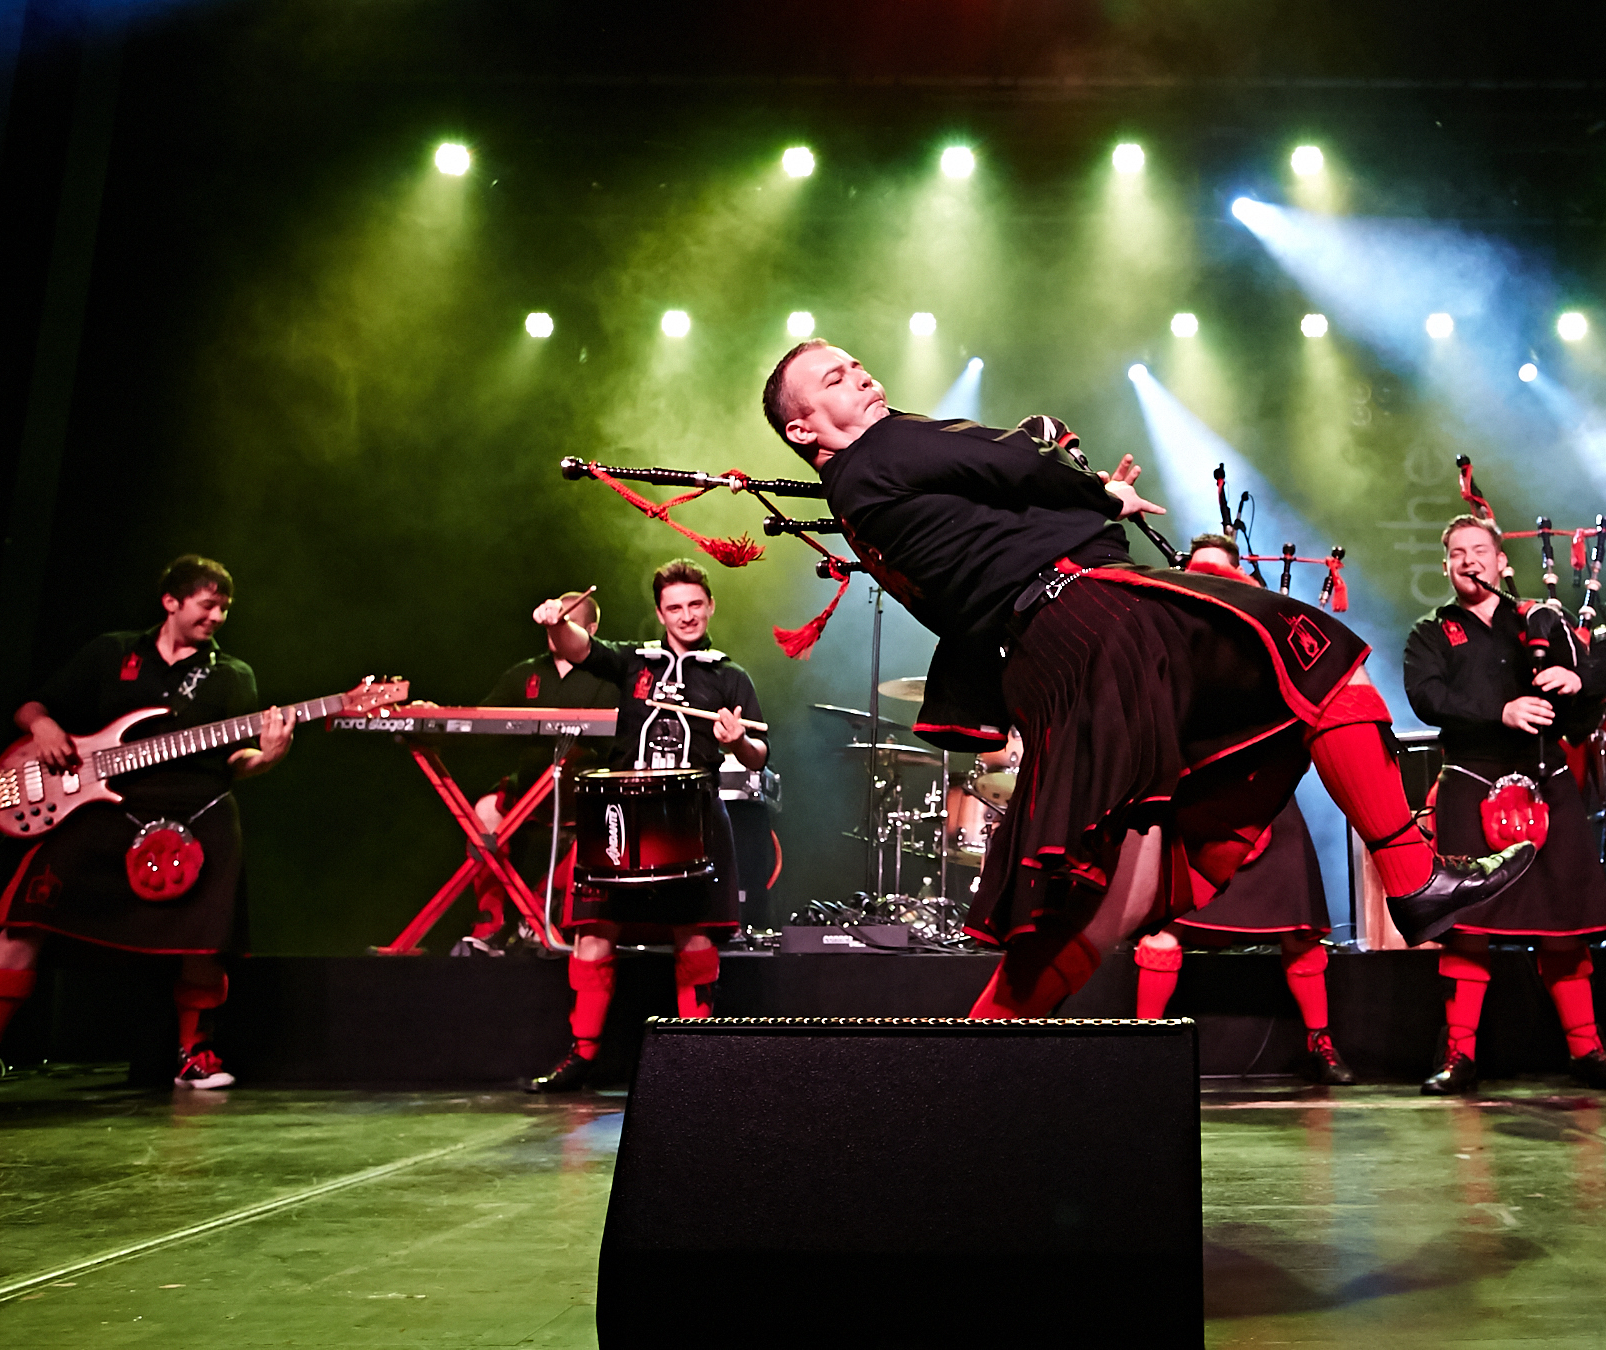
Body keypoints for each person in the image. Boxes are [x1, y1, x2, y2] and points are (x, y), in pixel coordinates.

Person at [764, 340, 1532, 1020]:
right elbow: (1009, 459)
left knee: (1115, 904)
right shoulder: (888, 446)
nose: (860, 375)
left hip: (1047, 658)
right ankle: (1414, 877)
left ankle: (970, 1067)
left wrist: (1080, 497)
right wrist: (1093, 491)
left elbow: (986, 526)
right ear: (804, 429)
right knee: (1316, 654)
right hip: (1096, 613)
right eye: (835, 377)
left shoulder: (859, 501)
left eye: (856, 364)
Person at [0, 556, 295, 1108]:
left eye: (224, 609)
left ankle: (195, 1054)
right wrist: (43, 726)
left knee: (204, 937)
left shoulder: (232, 674)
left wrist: (270, 757)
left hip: (197, 810)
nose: (217, 617)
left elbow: (236, 759)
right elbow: (31, 706)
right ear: (172, 601)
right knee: (24, 921)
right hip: (99, 807)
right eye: (207, 605)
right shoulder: (113, 651)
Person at [1404, 515, 1606, 1094]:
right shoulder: (1432, 631)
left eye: (1480, 552)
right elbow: (1426, 696)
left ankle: (1589, 1054)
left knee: (1566, 923)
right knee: (1467, 926)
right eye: (1458, 553)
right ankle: (1459, 1057)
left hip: (1547, 777)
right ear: (1446, 567)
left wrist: (1576, 676)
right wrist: (1502, 712)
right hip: (1471, 778)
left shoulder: (1539, 619)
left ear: (1501, 562)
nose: (1470, 561)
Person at [521, 560, 769, 1092]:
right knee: (595, 934)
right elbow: (577, 646)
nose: (686, 616)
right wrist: (554, 622)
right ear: (660, 613)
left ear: (710, 606)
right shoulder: (634, 663)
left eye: (695, 605)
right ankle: (582, 1056)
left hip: (695, 815)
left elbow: (757, 756)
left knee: (694, 937)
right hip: (622, 817)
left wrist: (736, 742)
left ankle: (695, 1058)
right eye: (674, 607)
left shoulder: (731, 676)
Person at [1132, 535, 1355, 1085]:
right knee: (1164, 928)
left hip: (1266, 792)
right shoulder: (1165, 624)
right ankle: (1137, 1049)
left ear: (1242, 579)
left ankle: (1321, 1044)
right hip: (1192, 791)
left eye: (1221, 574)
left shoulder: (1266, 628)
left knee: (1302, 932)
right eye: (1198, 571)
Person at [455, 589, 621, 957]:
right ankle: (491, 922)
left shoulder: (610, 678)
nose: (557, 629)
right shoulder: (525, 673)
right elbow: (478, 724)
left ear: (590, 629)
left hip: (586, 798)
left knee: (607, 827)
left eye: (568, 623)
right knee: (484, 810)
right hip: (528, 794)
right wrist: (427, 719)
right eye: (553, 622)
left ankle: (538, 913)